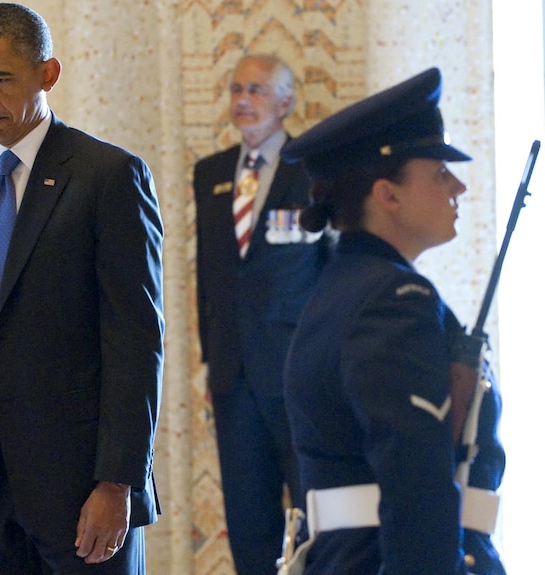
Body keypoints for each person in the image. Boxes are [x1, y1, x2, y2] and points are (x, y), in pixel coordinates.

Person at [0, 3, 164, 574]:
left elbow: (135, 343)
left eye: (0, 80)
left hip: (84, 496)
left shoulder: (110, 176)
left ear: (47, 75)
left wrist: (118, 481)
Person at [280, 67, 506, 574]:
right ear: (388, 194)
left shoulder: (346, 289)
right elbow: (416, 482)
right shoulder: (393, 299)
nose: (460, 186)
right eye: (440, 173)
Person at [192, 54, 328, 574]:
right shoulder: (211, 174)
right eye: (236, 89)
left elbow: (329, 270)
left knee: (316, 512)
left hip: (300, 374)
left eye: (257, 90)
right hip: (232, 378)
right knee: (248, 520)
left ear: (286, 102)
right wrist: (211, 361)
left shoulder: (315, 167)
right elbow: (209, 275)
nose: (243, 100)